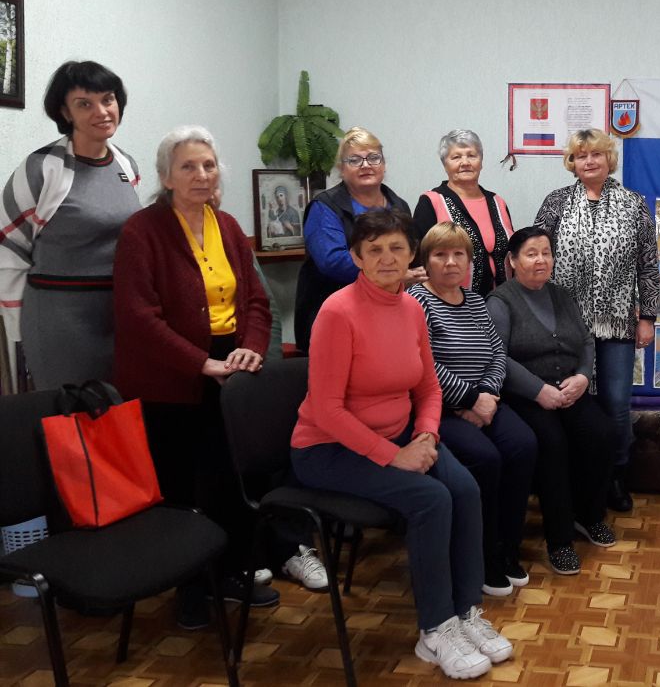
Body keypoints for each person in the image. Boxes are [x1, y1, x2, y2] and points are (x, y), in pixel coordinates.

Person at [291, 209, 512, 680]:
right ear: (356, 257)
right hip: (328, 449)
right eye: (374, 250)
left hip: (402, 435)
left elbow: (428, 388)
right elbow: (327, 410)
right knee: (432, 499)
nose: (387, 258)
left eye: (396, 247)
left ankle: (466, 612)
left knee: (465, 489)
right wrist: (395, 456)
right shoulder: (337, 312)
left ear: (412, 253)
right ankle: (435, 629)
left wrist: (427, 434)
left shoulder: (412, 308)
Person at [112, 126, 297, 629]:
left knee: (227, 481)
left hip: (229, 366)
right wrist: (200, 362)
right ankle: (190, 589)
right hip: (169, 376)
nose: (201, 175)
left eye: (209, 165)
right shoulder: (142, 231)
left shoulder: (228, 225)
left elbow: (256, 300)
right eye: (188, 166)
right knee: (182, 488)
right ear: (166, 176)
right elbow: (137, 317)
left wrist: (249, 349)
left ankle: (231, 573)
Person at [533, 129, 658, 513]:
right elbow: (536, 256)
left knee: (616, 402)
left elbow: (648, 265)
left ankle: (615, 475)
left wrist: (648, 316)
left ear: (609, 159)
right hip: (566, 324)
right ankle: (577, 477)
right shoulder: (556, 202)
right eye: (581, 155)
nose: (589, 161)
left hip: (618, 320)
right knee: (575, 401)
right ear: (572, 162)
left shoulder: (634, 204)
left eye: (596, 154)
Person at [410, 222, 536, 597]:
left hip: (484, 402)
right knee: (486, 458)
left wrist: (488, 395)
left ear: (469, 261)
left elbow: (497, 353)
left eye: (458, 254)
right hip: (440, 411)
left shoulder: (475, 300)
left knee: (524, 445)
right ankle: (481, 555)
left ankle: (507, 547)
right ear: (426, 261)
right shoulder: (417, 302)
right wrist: (469, 399)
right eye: (440, 254)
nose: (451, 262)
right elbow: (424, 365)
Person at [0, 61, 140, 390]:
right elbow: (8, 251)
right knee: (66, 413)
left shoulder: (126, 165)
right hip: (59, 323)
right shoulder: (40, 169)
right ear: (65, 112)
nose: (101, 111)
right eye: (85, 104)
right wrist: (16, 331)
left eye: (107, 99)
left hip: (117, 316)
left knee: (118, 411)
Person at [487, 227, 618, 576]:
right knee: (553, 445)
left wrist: (583, 376)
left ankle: (588, 516)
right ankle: (559, 541)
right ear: (512, 261)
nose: (541, 260)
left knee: (603, 433)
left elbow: (585, 341)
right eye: (531, 254)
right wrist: (537, 390)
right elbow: (498, 357)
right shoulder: (500, 302)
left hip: (569, 390)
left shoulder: (561, 295)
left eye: (546, 253)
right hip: (526, 397)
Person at [294, 127, 422, 352]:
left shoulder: (399, 205)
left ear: (383, 164)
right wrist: (390, 275)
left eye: (373, 157)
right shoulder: (324, 207)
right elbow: (332, 262)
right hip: (334, 316)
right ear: (341, 169)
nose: (365, 165)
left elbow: (409, 252)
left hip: (389, 313)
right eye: (354, 160)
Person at [413, 129, 515, 296]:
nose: (465, 162)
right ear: (445, 164)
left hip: (502, 302)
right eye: (456, 157)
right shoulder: (431, 201)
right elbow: (418, 261)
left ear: (481, 161)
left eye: (472, 155)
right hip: (449, 303)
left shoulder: (498, 202)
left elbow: (513, 253)